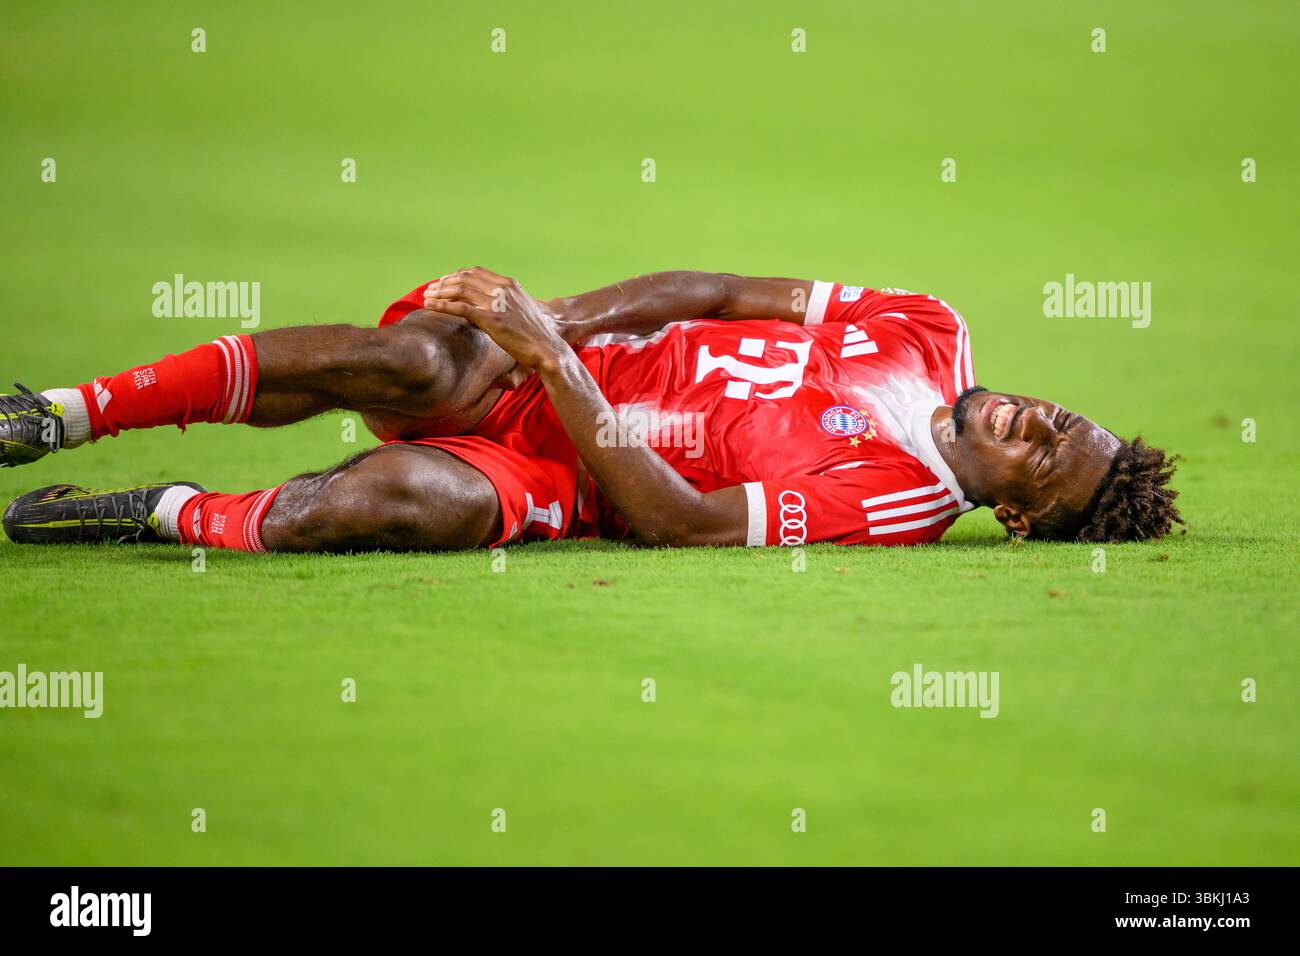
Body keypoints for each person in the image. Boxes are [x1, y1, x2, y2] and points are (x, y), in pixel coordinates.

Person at [1, 269, 1182, 552]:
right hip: (525, 369)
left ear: (1019, 517)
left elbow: (685, 524)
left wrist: (555, 364)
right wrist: (528, 325)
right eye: (1060, 416)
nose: (1035, 418)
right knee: (409, 359)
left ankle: (158, 511)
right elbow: (706, 289)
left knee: (406, 495)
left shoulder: (895, 504)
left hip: (571, 467)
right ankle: (60, 410)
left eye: (1045, 456)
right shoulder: (927, 323)